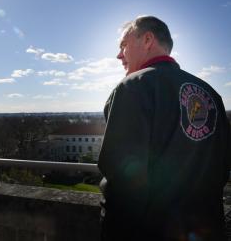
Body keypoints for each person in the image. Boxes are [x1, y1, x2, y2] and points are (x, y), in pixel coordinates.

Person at [98, 15, 231, 240]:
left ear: (148, 39)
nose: (119, 55)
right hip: (206, 229)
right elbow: (222, 166)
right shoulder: (212, 94)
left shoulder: (133, 87)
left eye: (123, 45)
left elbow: (122, 181)